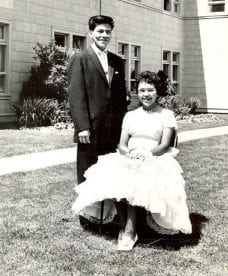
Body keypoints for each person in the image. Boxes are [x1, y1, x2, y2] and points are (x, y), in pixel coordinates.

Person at [72, 71, 192, 251]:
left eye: (150, 90)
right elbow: (121, 144)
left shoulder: (166, 115)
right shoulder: (131, 115)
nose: (146, 94)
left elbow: (166, 145)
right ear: (138, 92)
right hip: (130, 155)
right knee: (112, 174)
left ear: (157, 92)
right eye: (142, 90)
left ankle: (128, 231)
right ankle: (125, 227)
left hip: (155, 157)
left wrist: (146, 154)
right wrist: (128, 153)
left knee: (136, 177)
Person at [67, 15, 128, 184]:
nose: (104, 35)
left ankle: (109, 211)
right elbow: (76, 96)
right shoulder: (80, 59)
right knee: (88, 174)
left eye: (108, 32)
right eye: (100, 31)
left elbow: (121, 97)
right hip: (91, 130)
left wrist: (125, 125)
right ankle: (87, 211)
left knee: (111, 174)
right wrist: (83, 127)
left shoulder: (117, 61)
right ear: (91, 34)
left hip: (114, 129)